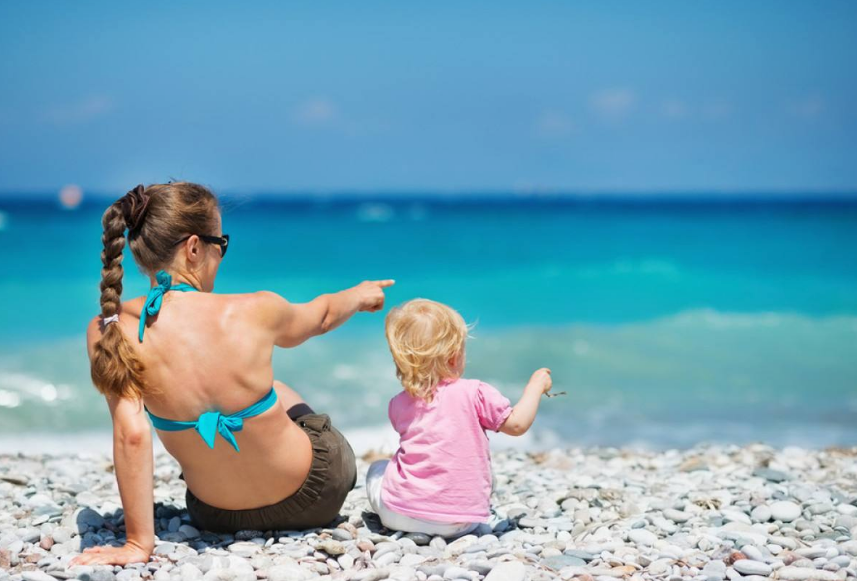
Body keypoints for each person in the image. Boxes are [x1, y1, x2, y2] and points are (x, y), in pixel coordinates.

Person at [70, 182, 393, 566]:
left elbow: (132, 434)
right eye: (220, 243)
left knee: (238, 399)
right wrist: (360, 294)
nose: (221, 255)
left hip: (215, 515)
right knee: (274, 389)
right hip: (317, 494)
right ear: (193, 248)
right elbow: (321, 315)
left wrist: (139, 544)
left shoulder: (109, 328)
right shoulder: (254, 309)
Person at [366, 298, 552, 537]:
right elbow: (517, 425)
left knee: (378, 468)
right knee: (479, 470)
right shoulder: (476, 392)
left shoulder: (398, 404)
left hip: (399, 516)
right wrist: (535, 387)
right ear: (454, 357)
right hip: (463, 521)